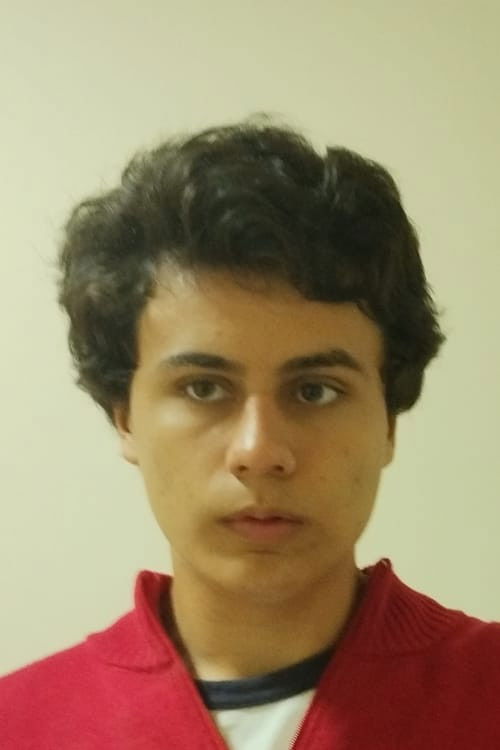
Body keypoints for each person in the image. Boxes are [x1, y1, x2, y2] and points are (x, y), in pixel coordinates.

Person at [1, 115, 499, 749]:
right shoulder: (20, 725)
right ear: (124, 415)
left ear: (389, 420)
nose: (259, 452)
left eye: (315, 390)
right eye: (204, 389)